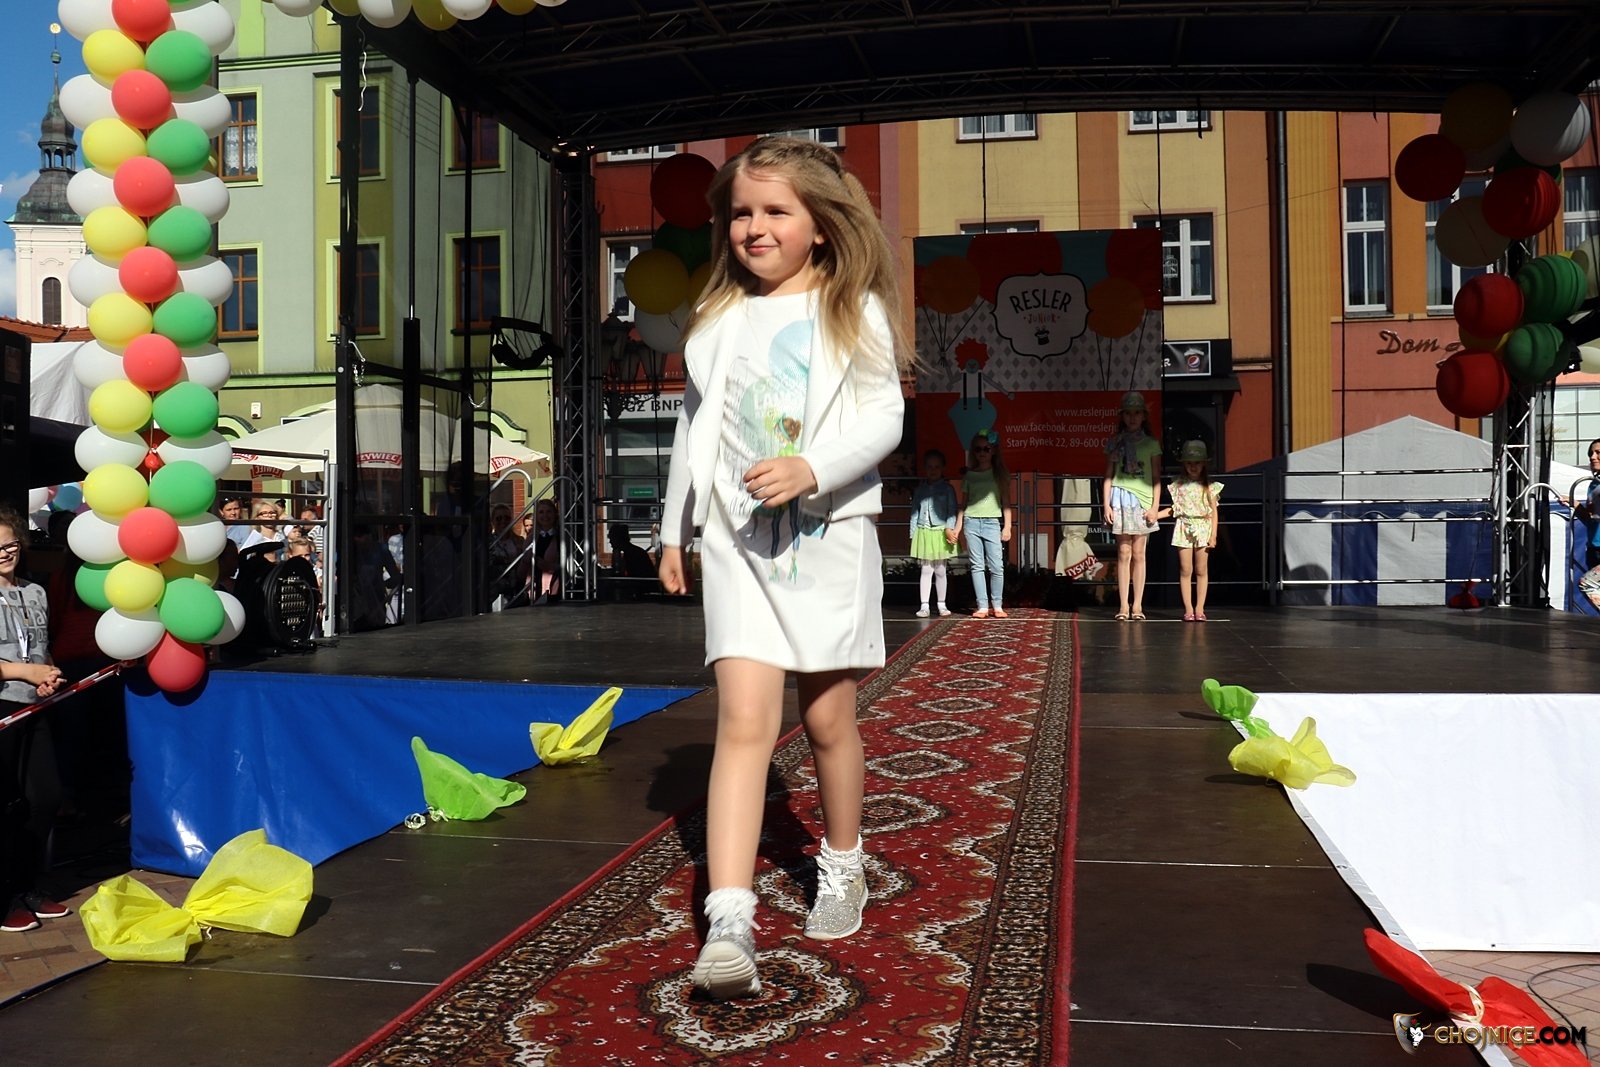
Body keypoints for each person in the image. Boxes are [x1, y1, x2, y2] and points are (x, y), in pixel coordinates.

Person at [657, 135, 910, 1000]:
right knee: (742, 722)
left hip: (825, 541)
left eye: (775, 211)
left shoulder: (852, 308)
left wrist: (812, 468)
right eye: (741, 213)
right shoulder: (718, 317)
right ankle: (730, 918)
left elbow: (884, 418)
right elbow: (693, 429)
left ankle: (843, 861)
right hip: (737, 543)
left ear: (822, 226)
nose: (754, 228)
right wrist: (674, 529)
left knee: (829, 718)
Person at [0, 503, 70, 934]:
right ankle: (6, 898)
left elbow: (42, 649)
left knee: (44, 798)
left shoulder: (35, 592)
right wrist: (24, 672)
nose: (4, 554)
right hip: (3, 709)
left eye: (10, 544)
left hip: (34, 707)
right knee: (5, 805)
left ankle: (28, 885)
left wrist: (47, 675)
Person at [1102, 391, 1162, 621]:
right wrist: (1106, 505)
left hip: (1143, 500)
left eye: (1137, 413)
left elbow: (1156, 478)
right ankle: (1123, 605)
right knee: (1123, 551)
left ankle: (1137, 605)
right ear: (1123, 416)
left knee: (1139, 553)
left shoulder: (1151, 444)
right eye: (1128, 413)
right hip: (1120, 498)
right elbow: (1108, 476)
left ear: (1144, 416)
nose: (1133, 418)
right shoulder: (1115, 442)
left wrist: (1155, 507)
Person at [952, 430, 1013, 618]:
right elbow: (963, 504)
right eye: (978, 449)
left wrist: (1007, 526)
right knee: (977, 565)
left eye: (986, 448)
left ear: (993, 450)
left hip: (992, 523)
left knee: (997, 566)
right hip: (971, 522)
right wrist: (957, 527)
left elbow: (1006, 502)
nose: (982, 453)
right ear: (973, 452)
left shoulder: (999, 474)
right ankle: (982, 606)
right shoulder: (970, 475)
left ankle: (997, 604)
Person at [1168, 440, 1223, 622]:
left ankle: (1199, 608)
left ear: (1204, 464)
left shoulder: (1209, 486)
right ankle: (1188, 608)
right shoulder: (1179, 485)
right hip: (1183, 527)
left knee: (1201, 569)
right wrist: (1154, 515)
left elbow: (1214, 512)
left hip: (1203, 528)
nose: (1193, 467)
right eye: (1189, 463)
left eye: (1197, 463)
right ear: (1184, 464)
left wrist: (1213, 535)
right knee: (1185, 569)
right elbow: (1175, 509)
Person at [908, 449, 959, 618]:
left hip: (940, 531)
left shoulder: (947, 489)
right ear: (925, 468)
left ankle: (941, 604)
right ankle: (924, 605)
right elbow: (915, 512)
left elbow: (952, 510)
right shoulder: (920, 490)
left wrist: (949, 528)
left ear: (943, 468)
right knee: (926, 569)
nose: (933, 470)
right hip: (924, 531)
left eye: (937, 467)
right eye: (930, 467)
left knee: (940, 569)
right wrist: (913, 533)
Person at [1574, 438, 1600, 610]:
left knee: (1588, 583)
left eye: (1598, 453)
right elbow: (1591, 519)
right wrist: (1575, 505)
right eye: (1591, 453)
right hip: (1594, 548)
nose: (1592, 457)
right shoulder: (1593, 485)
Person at [531, 500, 561, 604]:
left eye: (549, 511)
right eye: (541, 512)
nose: (545, 515)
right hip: (535, 580)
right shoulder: (532, 537)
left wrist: (552, 566)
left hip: (555, 582)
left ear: (554, 514)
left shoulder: (561, 537)